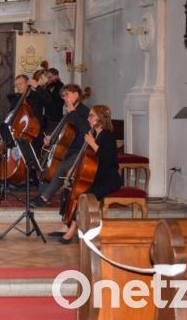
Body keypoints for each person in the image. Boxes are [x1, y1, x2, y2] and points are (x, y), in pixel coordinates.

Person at [56, 105, 123, 244]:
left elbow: (109, 160)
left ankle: (71, 231)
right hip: (97, 178)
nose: (88, 118)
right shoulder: (95, 135)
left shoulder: (108, 136)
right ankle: (67, 224)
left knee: (83, 196)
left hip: (109, 180)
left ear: (100, 119)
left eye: (91, 115)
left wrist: (93, 144)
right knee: (69, 190)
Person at [31, 84, 90, 207]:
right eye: (63, 96)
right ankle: (42, 193)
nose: (64, 98)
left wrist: (73, 112)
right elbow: (63, 132)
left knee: (61, 166)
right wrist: (50, 138)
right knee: (48, 164)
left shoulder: (85, 111)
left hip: (80, 151)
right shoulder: (68, 112)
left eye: (66, 95)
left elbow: (86, 129)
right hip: (68, 150)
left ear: (76, 95)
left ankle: (44, 198)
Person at [43, 68, 65, 133]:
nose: (48, 79)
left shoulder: (61, 86)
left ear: (56, 76)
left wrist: (45, 90)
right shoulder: (49, 86)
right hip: (47, 117)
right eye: (48, 78)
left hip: (56, 118)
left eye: (50, 77)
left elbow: (53, 99)